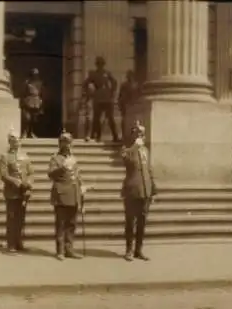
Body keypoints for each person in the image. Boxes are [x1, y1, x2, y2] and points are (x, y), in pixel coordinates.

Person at [48, 130, 88, 261]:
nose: (68, 145)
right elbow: (51, 174)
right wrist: (63, 167)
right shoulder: (55, 158)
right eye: (65, 142)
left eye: (69, 142)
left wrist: (82, 186)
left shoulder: (74, 158)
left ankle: (69, 249)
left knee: (72, 223)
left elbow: (77, 174)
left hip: (74, 193)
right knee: (61, 223)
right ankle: (60, 251)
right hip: (60, 194)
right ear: (60, 144)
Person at [120, 121, 157, 262]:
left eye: (142, 134)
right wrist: (134, 147)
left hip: (145, 191)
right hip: (132, 191)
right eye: (138, 134)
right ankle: (128, 250)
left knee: (142, 222)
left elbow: (149, 170)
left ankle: (138, 250)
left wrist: (153, 190)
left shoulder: (146, 151)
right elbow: (125, 160)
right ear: (133, 136)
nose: (141, 137)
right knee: (130, 222)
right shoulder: (127, 150)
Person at [0, 127, 34, 254]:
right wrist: (15, 181)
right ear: (9, 141)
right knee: (12, 218)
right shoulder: (5, 156)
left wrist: (29, 183)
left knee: (21, 218)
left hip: (23, 192)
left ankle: (19, 241)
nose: (16, 142)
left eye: (18, 139)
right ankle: (11, 243)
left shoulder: (25, 156)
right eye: (13, 140)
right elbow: (3, 174)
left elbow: (31, 172)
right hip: (12, 192)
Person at [83, 56, 120, 143]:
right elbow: (85, 84)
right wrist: (90, 93)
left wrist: (112, 92)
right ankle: (98, 136)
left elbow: (114, 82)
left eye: (101, 64)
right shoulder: (93, 74)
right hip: (98, 98)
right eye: (99, 64)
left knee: (110, 118)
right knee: (97, 118)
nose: (100, 66)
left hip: (107, 98)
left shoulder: (107, 73)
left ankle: (115, 136)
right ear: (97, 65)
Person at [118, 70, 141, 145]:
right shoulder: (124, 85)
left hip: (133, 105)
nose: (129, 77)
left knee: (133, 122)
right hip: (127, 105)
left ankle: (132, 135)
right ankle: (125, 135)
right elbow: (121, 96)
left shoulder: (136, 85)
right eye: (128, 76)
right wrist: (120, 104)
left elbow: (139, 95)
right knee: (125, 121)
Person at [20, 68, 44, 138]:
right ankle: (25, 132)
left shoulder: (40, 83)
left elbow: (42, 93)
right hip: (28, 100)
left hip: (36, 101)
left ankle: (31, 133)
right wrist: (23, 101)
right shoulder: (27, 82)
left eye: (36, 74)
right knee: (27, 118)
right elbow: (23, 93)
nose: (35, 76)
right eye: (34, 74)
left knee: (34, 119)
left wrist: (41, 101)